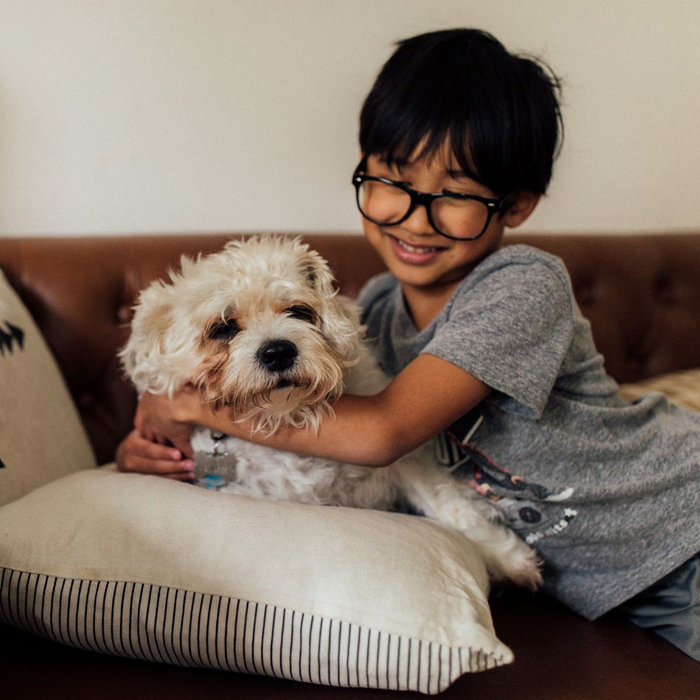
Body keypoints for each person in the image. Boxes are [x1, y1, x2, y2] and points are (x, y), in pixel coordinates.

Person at [116, 28, 700, 660]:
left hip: (677, 529)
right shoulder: (372, 312)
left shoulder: (523, 285)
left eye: (455, 194)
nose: (417, 219)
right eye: (393, 179)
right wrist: (155, 450)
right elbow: (276, 446)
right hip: (611, 584)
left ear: (518, 204)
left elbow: (381, 433)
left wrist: (187, 405)